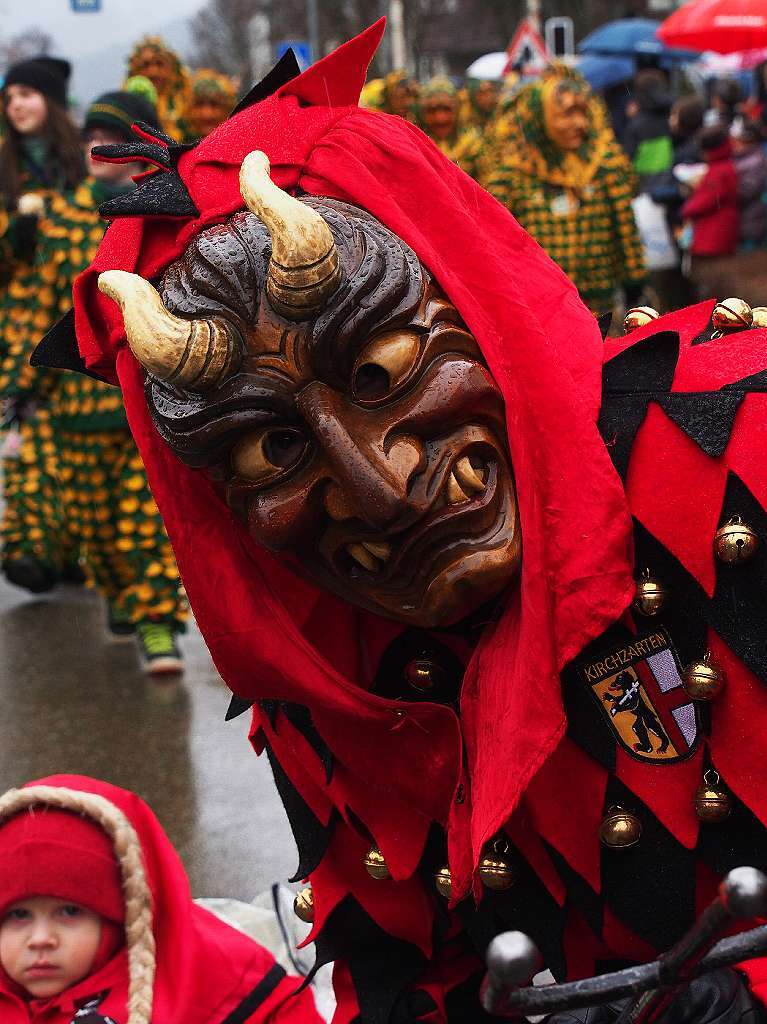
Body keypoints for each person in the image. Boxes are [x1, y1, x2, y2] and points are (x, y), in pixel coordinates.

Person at [58, 21, 767, 1023]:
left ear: (478, 305)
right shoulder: (327, 671)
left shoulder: (733, 445)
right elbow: (399, 973)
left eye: (382, 374)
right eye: (274, 452)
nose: (380, 491)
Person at [37, 90, 188, 673]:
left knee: (145, 518)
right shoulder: (57, 218)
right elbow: (32, 302)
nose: (98, 149)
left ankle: (156, 624)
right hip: (73, 406)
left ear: (135, 149)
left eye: (111, 136)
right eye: (90, 137)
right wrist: (19, 385)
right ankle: (121, 596)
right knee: (94, 527)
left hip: (140, 393)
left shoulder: (160, 210)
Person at [0, 774, 322, 1022]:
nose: (41, 939)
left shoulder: (218, 983)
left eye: (69, 911)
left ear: (121, 917)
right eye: (18, 915)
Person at [0, 56, 84, 593]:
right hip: (19, 328)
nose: (16, 107)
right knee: (27, 433)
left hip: (76, 319)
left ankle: (78, 547)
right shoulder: (3, 169)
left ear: (50, 102)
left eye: (26, 94)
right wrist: (15, 237)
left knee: (77, 436)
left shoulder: (81, 165)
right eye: (9, 99)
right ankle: (29, 547)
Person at [486, 64, 646, 314]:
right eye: (567, 114)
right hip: (540, 306)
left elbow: (625, 229)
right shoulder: (512, 177)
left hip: (599, 302)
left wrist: (634, 282)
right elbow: (495, 246)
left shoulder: (604, 165)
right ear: (539, 118)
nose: (580, 124)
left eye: (583, 113)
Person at [681, 124, 740, 298]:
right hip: (721, 229)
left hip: (714, 233)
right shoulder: (723, 165)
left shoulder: (719, 170)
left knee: (712, 280)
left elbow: (707, 199)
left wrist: (687, 209)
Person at [124, 36, 191, 142]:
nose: (153, 72)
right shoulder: (128, 108)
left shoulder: (189, 102)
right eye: (146, 65)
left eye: (159, 64)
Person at [418, 76, 486, 180]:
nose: (440, 118)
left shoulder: (473, 144)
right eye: (432, 110)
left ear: (457, 110)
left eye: (447, 109)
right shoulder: (415, 144)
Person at [623, 68, 674, 192]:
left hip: (642, 187)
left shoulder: (636, 124)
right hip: (668, 183)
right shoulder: (670, 116)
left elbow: (627, 158)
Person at [731, 119, 767, 250]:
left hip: (751, 222)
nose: (734, 144)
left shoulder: (756, 162)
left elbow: (746, 191)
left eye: (737, 140)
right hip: (745, 221)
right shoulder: (742, 158)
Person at [186, 69, 238, 140]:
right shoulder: (173, 147)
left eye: (215, 104)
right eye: (199, 104)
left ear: (228, 109)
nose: (206, 115)